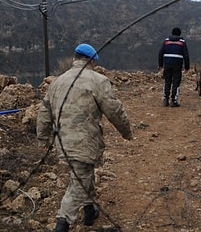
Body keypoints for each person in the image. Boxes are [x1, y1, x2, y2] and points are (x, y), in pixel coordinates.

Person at [37, 43, 133, 232]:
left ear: (75, 59)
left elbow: (44, 113)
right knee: (78, 182)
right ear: (92, 62)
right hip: (84, 141)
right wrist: (126, 131)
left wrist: (43, 140)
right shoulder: (98, 80)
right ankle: (62, 223)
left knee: (83, 174)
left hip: (62, 142)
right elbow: (114, 109)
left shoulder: (57, 82)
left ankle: (90, 211)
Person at [158, 27, 190, 107]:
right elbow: (186, 55)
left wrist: (160, 65)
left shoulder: (166, 41)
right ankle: (174, 101)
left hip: (167, 64)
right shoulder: (182, 42)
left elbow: (160, 53)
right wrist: (187, 67)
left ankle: (165, 99)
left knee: (167, 81)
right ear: (179, 34)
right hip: (177, 65)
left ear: (172, 33)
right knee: (176, 82)